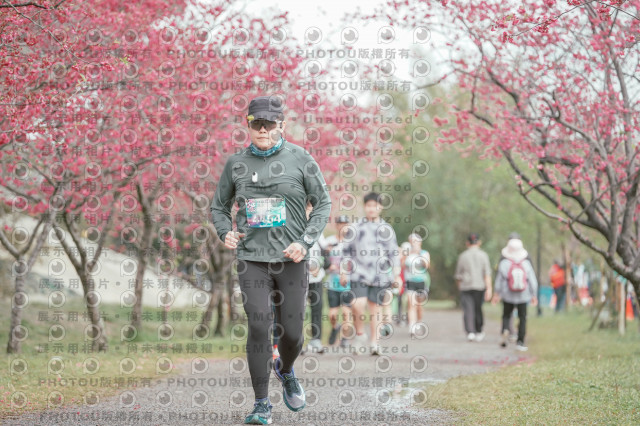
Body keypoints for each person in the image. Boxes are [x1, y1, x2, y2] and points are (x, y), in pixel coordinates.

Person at [210, 95, 331, 425]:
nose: (262, 129)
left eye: (269, 124)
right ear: (248, 125)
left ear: (282, 125)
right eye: (256, 123)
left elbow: (323, 203)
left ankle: (286, 369)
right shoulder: (236, 164)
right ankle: (261, 404)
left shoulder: (301, 159)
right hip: (252, 259)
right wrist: (225, 231)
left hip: (291, 259)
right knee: (259, 325)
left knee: (292, 334)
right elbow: (219, 207)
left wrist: (305, 241)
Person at [341, 192, 402, 356]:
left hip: (379, 275)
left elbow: (393, 253)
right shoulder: (356, 227)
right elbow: (346, 251)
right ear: (365, 207)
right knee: (357, 304)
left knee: (375, 309)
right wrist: (344, 271)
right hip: (358, 273)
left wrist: (396, 274)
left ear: (380, 207)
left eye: (375, 206)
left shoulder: (386, 229)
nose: (371, 209)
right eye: (369, 205)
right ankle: (360, 334)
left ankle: (375, 343)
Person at [492, 237, 539, 351]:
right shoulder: (526, 263)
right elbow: (532, 281)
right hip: (523, 295)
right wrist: (534, 295)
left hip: (507, 295)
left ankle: (505, 331)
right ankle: (520, 341)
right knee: (522, 318)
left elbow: (499, 280)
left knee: (506, 315)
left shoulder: (504, 263)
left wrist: (497, 293)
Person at [454, 233, 492, 342]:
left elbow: (458, 275)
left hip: (466, 286)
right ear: (479, 242)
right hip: (479, 286)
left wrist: (459, 287)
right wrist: (489, 288)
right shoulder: (484, 255)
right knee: (478, 308)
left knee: (468, 309)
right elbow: (487, 274)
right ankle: (479, 330)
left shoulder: (463, 256)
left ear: (467, 243)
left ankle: (470, 331)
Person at [325, 215, 354, 348]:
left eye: (345, 224)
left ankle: (345, 338)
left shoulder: (353, 242)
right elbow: (323, 259)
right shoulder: (329, 241)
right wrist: (328, 265)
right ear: (336, 226)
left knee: (347, 313)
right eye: (340, 224)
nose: (342, 226)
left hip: (348, 283)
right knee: (332, 314)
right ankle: (335, 327)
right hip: (332, 282)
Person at [302, 200, 326, 354]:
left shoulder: (318, 231)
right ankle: (297, 342)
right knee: (297, 310)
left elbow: (325, 253)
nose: (309, 212)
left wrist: (319, 266)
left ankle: (316, 340)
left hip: (316, 278)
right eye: (307, 209)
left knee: (317, 308)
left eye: (312, 209)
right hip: (298, 279)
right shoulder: (295, 229)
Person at [403, 233, 431, 338]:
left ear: (420, 242)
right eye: (411, 241)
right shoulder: (407, 253)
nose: (413, 243)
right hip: (410, 281)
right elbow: (402, 265)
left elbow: (427, 265)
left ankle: (419, 321)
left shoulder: (424, 253)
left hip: (421, 281)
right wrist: (406, 255)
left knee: (419, 306)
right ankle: (412, 326)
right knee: (411, 304)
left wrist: (418, 253)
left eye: (415, 241)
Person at [395, 241, 411, 326]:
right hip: (401, 280)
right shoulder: (399, 258)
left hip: (408, 281)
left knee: (409, 301)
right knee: (399, 300)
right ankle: (399, 319)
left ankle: (409, 318)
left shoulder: (410, 259)